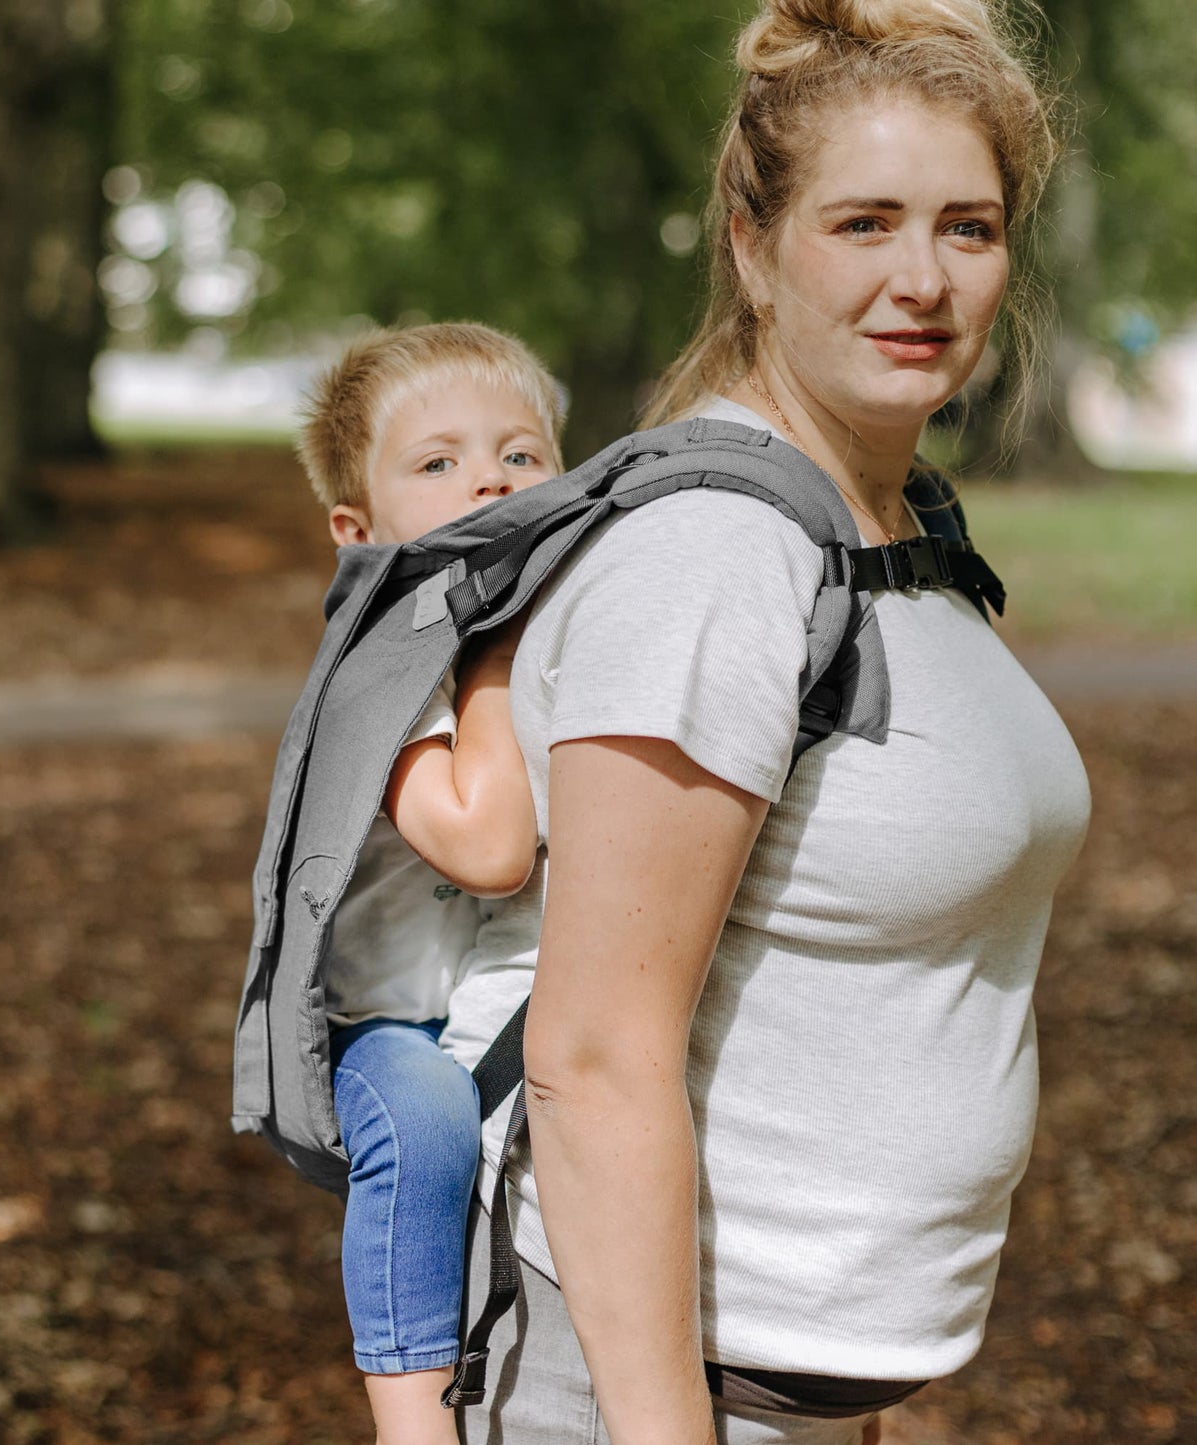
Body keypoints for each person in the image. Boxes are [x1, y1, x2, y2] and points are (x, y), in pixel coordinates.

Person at [439, 2, 1091, 1442]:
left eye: (966, 229)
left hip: (780, 1387)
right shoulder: (713, 561)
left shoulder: (893, 524)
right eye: (863, 223)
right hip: (626, 1391)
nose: (921, 278)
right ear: (752, 244)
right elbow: (595, 1053)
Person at [296, 322, 564, 1444]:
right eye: (438, 462)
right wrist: (492, 663)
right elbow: (484, 842)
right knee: (425, 1118)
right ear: (358, 531)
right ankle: (410, 1418)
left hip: (497, 993)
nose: (488, 476)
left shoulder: (571, 623)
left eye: (520, 451)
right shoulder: (389, 662)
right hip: (386, 1017)